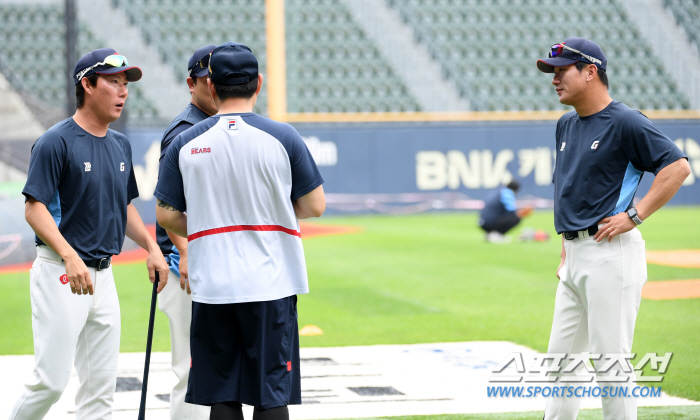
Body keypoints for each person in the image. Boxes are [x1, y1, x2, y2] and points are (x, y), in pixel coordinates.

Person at [154, 42, 325, 420]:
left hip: (212, 285)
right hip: (271, 282)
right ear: (258, 83)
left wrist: (208, 222)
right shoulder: (284, 137)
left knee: (222, 394)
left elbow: (166, 215)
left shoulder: (185, 141)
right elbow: (315, 205)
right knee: (270, 393)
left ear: (211, 86)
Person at [11, 48, 170, 419]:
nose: (123, 91)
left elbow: (123, 205)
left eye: (125, 84)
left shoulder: (120, 144)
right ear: (87, 84)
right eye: (114, 82)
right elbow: (34, 208)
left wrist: (151, 246)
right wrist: (69, 255)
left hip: (104, 277)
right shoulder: (55, 141)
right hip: (62, 274)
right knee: (49, 383)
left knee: (100, 391)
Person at [537, 37, 690, 420]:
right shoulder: (566, 125)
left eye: (561, 70)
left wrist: (634, 216)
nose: (554, 79)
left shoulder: (626, 121)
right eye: (552, 72)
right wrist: (565, 248)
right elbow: (567, 189)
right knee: (561, 365)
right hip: (575, 257)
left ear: (591, 72)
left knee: (611, 365)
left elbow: (678, 168)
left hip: (611, 255)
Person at [156, 44, 217, 420]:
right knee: (191, 371)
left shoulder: (219, 126)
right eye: (208, 79)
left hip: (210, 264)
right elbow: (168, 208)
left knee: (212, 369)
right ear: (191, 83)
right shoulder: (184, 131)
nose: (214, 87)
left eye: (220, 79)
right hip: (185, 268)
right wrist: (187, 252)